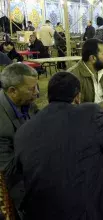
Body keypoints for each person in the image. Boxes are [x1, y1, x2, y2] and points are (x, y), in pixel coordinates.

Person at [14, 72, 103, 220]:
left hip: (42, 213)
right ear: (77, 97)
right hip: (93, 211)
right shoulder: (89, 112)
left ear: (49, 97)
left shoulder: (23, 131)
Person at [0, 63, 39, 216]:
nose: (36, 93)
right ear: (12, 91)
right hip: (14, 179)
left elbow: (41, 122)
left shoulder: (25, 101)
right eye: (31, 89)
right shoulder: (2, 125)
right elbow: (9, 172)